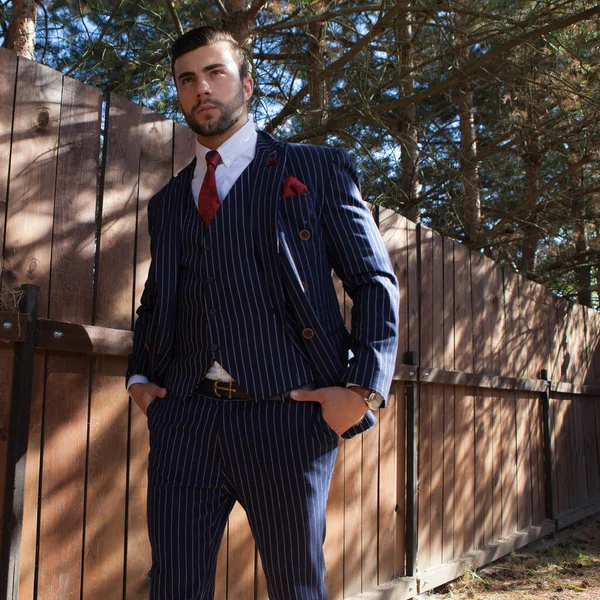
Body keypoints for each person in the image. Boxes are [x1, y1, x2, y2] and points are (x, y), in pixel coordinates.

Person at [126, 25, 399, 600]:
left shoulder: (315, 169)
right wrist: (140, 377)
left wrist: (364, 389)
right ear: (178, 95)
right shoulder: (170, 202)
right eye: (187, 79)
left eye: (215, 72)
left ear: (246, 83)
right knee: (172, 586)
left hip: (288, 417)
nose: (202, 88)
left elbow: (373, 281)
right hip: (185, 420)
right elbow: (159, 297)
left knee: (295, 587)